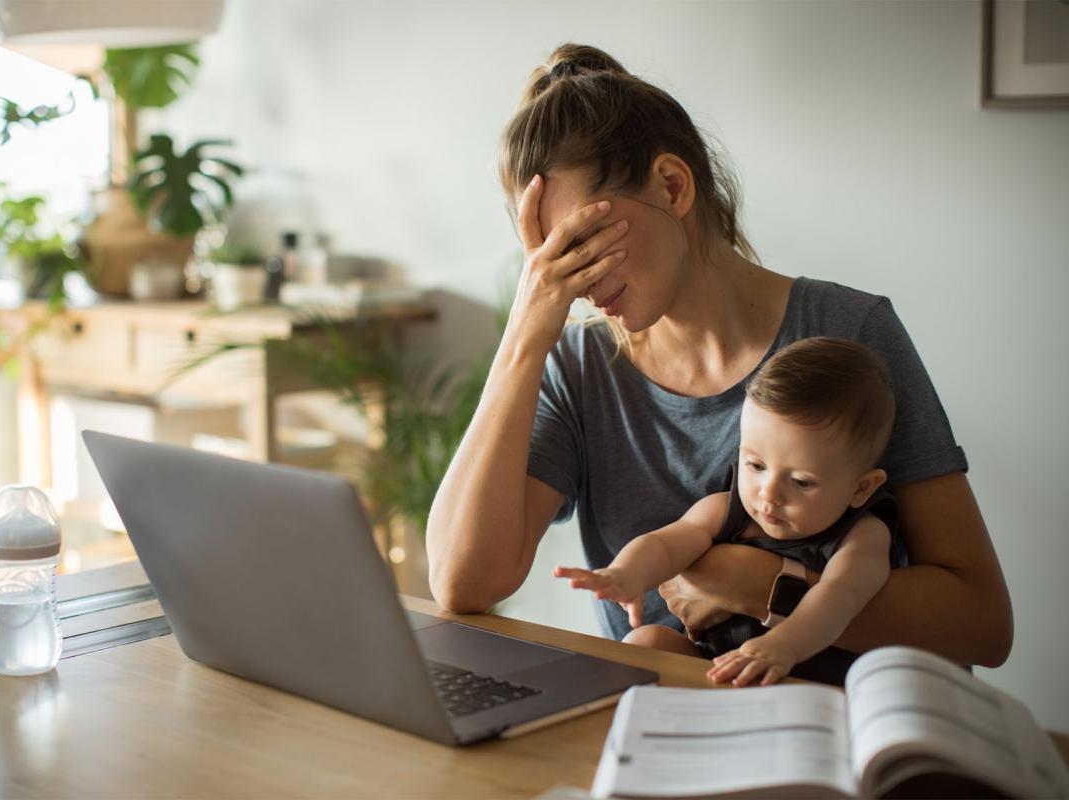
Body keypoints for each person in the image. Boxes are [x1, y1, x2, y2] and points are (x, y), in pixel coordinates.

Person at [425, 43, 1012, 672]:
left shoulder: (849, 333)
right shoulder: (578, 366)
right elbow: (463, 583)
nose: (573, 282)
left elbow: (981, 625)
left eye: (583, 243)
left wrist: (755, 582)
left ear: (673, 186)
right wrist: (524, 336)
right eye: (546, 257)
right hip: (666, 733)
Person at [555, 337, 904, 686]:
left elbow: (839, 598)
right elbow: (666, 543)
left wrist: (781, 646)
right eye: (755, 464)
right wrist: (626, 574)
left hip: (804, 683)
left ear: (861, 488)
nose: (769, 493)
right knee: (645, 642)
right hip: (719, 669)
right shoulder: (727, 509)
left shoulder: (863, 535)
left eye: (801, 482)